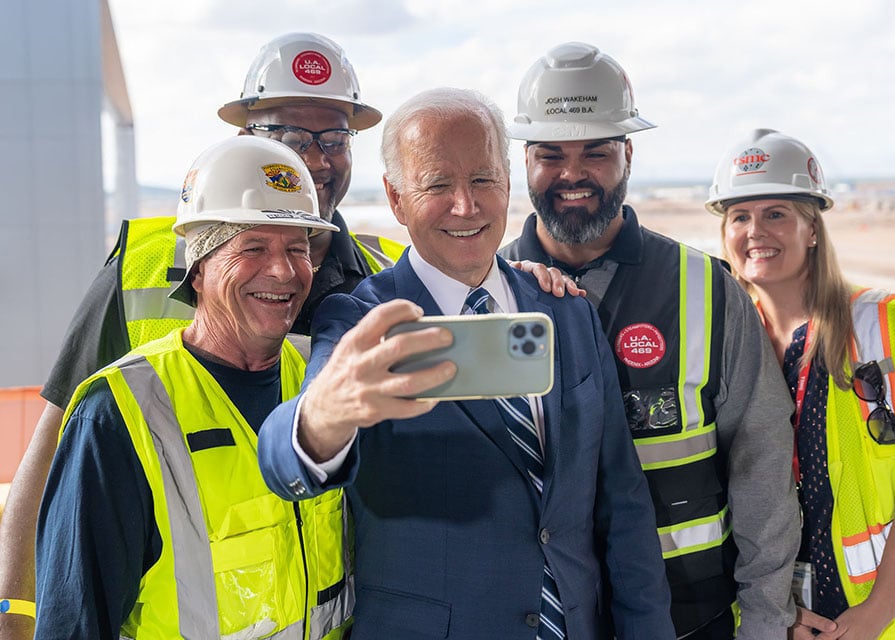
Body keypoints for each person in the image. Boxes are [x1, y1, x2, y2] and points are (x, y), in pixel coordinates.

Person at [0, 33, 569, 636]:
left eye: (334, 138)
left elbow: (476, 314)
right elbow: (62, 443)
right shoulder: (139, 273)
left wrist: (530, 272)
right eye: (293, 138)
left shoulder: (383, 283)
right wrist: (14, 607)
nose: (318, 158)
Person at [257, 87, 676, 639]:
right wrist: (322, 418)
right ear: (396, 197)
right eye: (437, 185)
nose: (466, 205)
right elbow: (285, 461)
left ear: (507, 181)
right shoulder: (362, 318)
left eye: (482, 179)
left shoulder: (567, 314)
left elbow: (622, 505)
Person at [500, 43, 800, 639]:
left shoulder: (706, 289)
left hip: (692, 613)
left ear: (628, 154)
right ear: (524, 160)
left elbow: (762, 463)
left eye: (597, 152)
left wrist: (766, 620)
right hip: (548, 617)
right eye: (550, 154)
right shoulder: (490, 295)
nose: (572, 174)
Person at [33, 136, 353, 638]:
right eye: (253, 248)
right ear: (199, 268)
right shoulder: (118, 413)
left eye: (298, 248)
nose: (285, 271)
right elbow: (74, 623)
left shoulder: (322, 378)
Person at [707, 128, 895, 639]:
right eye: (739, 216)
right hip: (777, 614)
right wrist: (772, 611)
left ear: (813, 229)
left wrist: (877, 613)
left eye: (776, 214)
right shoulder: (723, 342)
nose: (755, 231)